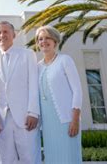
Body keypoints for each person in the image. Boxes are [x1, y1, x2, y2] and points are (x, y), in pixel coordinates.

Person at [0, 21, 41, 163]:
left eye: (5, 32)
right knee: (6, 159)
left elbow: (34, 84)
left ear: (13, 35)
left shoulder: (28, 54)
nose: (2, 35)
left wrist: (33, 112)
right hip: (1, 120)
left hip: (26, 117)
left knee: (30, 158)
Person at [35, 26, 83, 163]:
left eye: (47, 38)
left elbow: (77, 90)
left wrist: (75, 120)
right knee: (52, 158)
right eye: (40, 39)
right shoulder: (37, 66)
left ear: (55, 41)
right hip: (48, 124)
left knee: (69, 157)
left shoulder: (65, 60)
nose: (43, 41)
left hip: (66, 120)